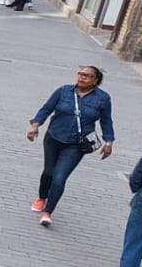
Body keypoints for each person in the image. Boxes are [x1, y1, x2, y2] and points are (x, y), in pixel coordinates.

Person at [26, 65, 115, 225]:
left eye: (87, 75)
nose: (82, 77)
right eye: (80, 74)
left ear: (95, 80)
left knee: (59, 178)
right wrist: (35, 125)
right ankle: (42, 198)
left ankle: (48, 212)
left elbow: (106, 121)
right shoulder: (64, 91)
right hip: (54, 137)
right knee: (48, 172)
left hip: (76, 145)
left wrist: (109, 141)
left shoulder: (103, 98)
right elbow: (46, 109)